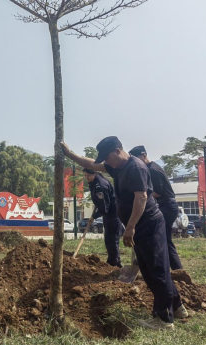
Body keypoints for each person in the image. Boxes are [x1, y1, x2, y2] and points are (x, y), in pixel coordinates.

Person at [62, 136, 187, 330]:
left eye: (108, 157)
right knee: (150, 268)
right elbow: (90, 164)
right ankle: (177, 306)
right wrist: (70, 154)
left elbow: (142, 198)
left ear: (118, 151)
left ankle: (164, 319)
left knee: (156, 270)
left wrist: (130, 227)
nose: (107, 162)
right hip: (141, 226)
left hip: (147, 225)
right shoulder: (117, 166)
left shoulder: (135, 168)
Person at [129, 145, 183, 270]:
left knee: (162, 238)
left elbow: (157, 192)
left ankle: (177, 270)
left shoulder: (152, 170)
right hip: (165, 206)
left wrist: (139, 195)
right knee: (162, 238)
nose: (135, 163)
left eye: (136, 159)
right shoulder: (148, 168)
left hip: (167, 207)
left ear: (144, 155)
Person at [83, 168, 123, 268]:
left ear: (95, 173)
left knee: (112, 239)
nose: (87, 178)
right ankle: (113, 260)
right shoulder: (95, 181)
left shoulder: (100, 186)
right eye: (85, 175)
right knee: (109, 239)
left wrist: (94, 216)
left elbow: (104, 207)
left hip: (113, 213)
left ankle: (114, 262)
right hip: (108, 214)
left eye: (89, 175)